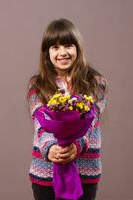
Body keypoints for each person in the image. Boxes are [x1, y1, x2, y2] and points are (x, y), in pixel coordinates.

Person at [27, 18, 108, 200]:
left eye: (68, 45)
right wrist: (51, 149)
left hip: (85, 170)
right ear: (46, 52)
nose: (62, 52)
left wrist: (76, 146)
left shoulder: (96, 82)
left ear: (77, 48)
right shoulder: (37, 84)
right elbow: (39, 121)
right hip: (46, 171)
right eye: (55, 47)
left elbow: (91, 121)